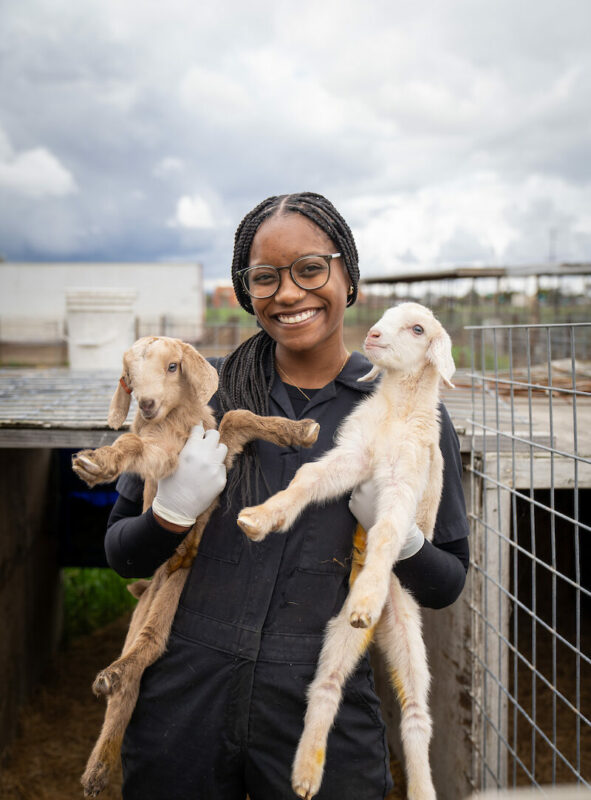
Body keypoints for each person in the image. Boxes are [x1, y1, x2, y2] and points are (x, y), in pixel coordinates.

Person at [105, 192, 470, 800]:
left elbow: (446, 581)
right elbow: (121, 553)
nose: (289, 294)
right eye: (266, 278)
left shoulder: (401, 412)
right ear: (248, 293)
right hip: (186, 693)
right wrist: (170, 515)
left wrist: (400, 537)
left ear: (346, 276)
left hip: (320, 693)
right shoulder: (198, 395)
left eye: (310, 269)